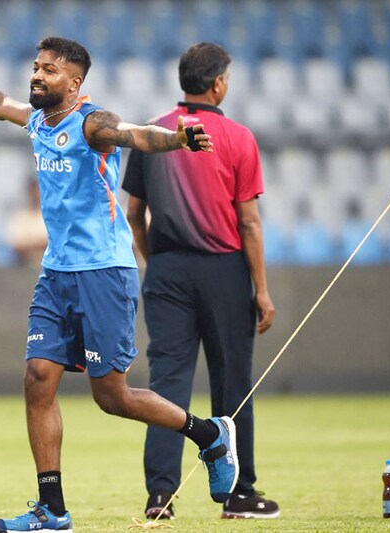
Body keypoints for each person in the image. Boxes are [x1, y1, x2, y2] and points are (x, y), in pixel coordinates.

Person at [0, 37, 237, 533]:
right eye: (36, 66)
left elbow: (136, 135)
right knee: (37, 378)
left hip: (104, 272)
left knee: (112, 397)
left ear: (75, 82)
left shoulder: (92, 124)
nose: (37, 75)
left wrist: (178, 139)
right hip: (57, 273)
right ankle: (52, 510)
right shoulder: (37, 121)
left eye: (49, 70)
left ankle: (210, 434)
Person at [122, 42, 279, 520]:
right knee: (232, 380)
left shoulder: (153, 132)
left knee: (167, 381)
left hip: (167, 270)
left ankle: (160, 496)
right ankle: (239, 493)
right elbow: (248, 222)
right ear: (217, 84)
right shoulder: (236, 137)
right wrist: (261, 289)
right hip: (224, 269)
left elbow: (135, 214)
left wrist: (158, 263)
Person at [6, 177, 48, 266]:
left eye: (38, 191)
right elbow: (17, 245)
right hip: (25, 266)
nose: (36, 195)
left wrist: (32, 243)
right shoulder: (20, 217)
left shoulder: (53, 215)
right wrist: (40, 243)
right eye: (33, 191)